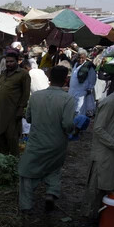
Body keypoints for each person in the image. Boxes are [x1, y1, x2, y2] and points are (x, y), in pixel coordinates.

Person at [80, 65, 114, 226]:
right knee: (94, 189)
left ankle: (98, 218)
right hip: (103, 153)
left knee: (106, 187)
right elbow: (98, 129)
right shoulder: (110, 101)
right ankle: (87, 220)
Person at [18, 66, 76, 214]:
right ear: (65, 80)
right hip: (57, 143)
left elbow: (29, 118)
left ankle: (26, 205)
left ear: (49, 78)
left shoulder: (36, 96)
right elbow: (68, 124)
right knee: (54, 168)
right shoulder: (68, 99)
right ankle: (51, 193)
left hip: (37, 142)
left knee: (27, 172)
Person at [0, 51, 31, 156]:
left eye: (11, 61)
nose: (8, 64)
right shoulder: (3, 73)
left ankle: (14, 161)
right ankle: (4, 159)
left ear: (17, 61)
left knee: (11, 137)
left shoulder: (23, 74)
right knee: (0, 135)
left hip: (12, 111)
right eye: (7, 62)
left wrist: (21, 109)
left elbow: (26, 94)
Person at [69, 49, 97, 116]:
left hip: (81, 92)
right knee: (71, 110)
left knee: (79, 110)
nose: (80, 59)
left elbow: (93, 79)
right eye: (79, 57)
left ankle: (78, 126)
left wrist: (89, 89)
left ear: (85, 58)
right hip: (72, 91)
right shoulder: (75, 64)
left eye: (82, 58)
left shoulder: (88, 66)